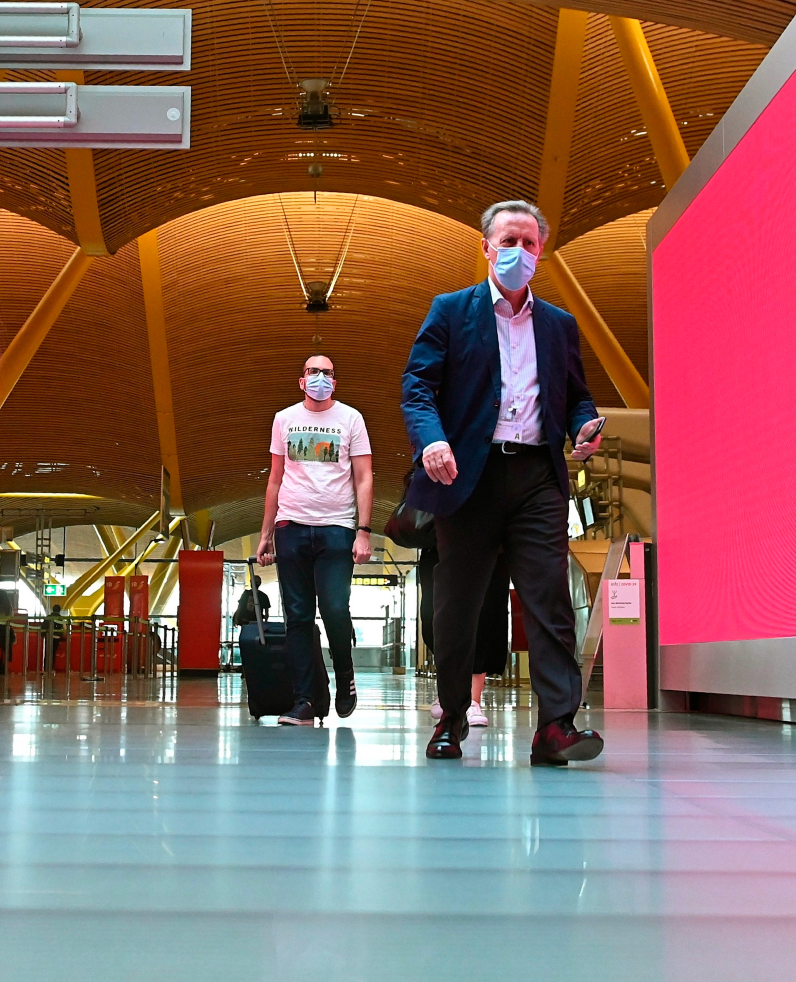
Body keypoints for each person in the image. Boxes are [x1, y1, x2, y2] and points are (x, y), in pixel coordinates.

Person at [401, 199, 606, 765]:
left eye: (529, 243)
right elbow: (417, 387)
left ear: (541, 251)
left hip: (538, 475)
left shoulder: (559, 325)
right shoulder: (450, 311)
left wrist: (583, 424)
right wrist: (433, 440)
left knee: (549, 598)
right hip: (467, 474)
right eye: (507, 241)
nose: (518, 252)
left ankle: (556, 727)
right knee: (458, 604)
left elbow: (575, 393)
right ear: (486, 246)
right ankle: (451, 719)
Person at [256, 354, 375, 724]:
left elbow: (364, 476)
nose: (319, 377)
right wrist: (266, 534)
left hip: (336, 528)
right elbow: (275, 478)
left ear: (334, 383)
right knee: (298, 617)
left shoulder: (351, 418)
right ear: (301, 380)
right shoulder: (284, 419)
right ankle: (304, 700)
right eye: (313, 371)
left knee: (336, 608)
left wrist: (364, 531)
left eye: (327, 373)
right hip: (291, 527)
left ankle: (344, 675)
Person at [418, 547, 507, 727]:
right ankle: (450, 691)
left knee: (484, 612)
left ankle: (472, 701)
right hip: (439, 537)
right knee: (435, 614)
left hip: (489, 537)